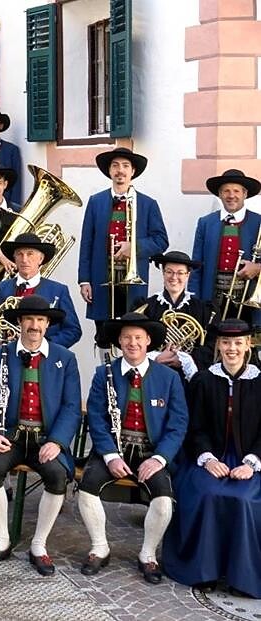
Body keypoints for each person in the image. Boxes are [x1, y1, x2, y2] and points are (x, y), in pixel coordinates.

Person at [77, 313, 188, 584]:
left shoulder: (168, 378)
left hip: (152, 454)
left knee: (164, 502)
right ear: (119, 341)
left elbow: (178, 423)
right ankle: (100, 547)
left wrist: (160, 458)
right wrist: (111, 456)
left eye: (138, 337)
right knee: (86, 488)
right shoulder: (103, 374)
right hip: (114, 450)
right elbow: (97, 417)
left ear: (148, 341)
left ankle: (147, 554)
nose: (132, 343)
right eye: (127, 337)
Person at [0, 295, 82, 575]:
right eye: (29, 320)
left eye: (40, 320)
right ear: (20, 322)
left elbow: (72, 407)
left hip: (46, 439)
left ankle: (39, 544)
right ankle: (1, 539)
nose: (34, 325)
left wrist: (57, 442)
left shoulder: (65, 359)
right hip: (9, 436)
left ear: (47, 324)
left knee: (57, 476)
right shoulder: (0, 355)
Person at [162, 319, 261, 597]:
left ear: (248, 345)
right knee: (207, 493)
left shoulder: (260, 381)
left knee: (244, 499)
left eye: (238, 343)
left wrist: (251, 463)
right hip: (208, 459)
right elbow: (195, 427)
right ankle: (203, 571)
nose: (232, 348)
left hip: (250, 462)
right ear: (218, 345)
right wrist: (208, 459)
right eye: (227, 342)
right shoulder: (204, 380)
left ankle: (243, 577)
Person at [78, 147, 168, 341]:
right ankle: (105, 369)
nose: (120, 170)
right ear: (109, 171)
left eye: (126, 166)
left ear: (133, 171)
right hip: (101, 277)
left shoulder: (148, 203)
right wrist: (84, 280)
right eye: (115, 165)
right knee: (103, 335)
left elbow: (161, 240)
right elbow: (87, 242)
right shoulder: (96, 201)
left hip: (133, 281)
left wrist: (133, 247)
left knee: (132, 333)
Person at [0, 232, 82, 351]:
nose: (24, 259)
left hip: (47, 360)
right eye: (19, 254)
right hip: (9, 357)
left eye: (30, 254)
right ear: (14, 258)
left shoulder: (59, 290)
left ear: (41, 259)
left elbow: (73, 330)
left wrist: (46, 346)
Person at [190, 169, 261, 324]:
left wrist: (258, 267)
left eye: (236, 191)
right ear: (220, 194)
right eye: (226, 191)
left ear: (245, 194)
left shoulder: (259, 222)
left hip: (248, 296)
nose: (231, 195)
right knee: (212, 340)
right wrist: (194, 301)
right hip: (213, 295)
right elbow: (196, 265)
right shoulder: (205, 223)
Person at [137, 251, 215, 380]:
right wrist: (157, 357)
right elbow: (137, 339)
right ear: (163, 273)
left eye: (180, 273)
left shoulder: (203, 309)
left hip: (189, 379)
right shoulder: (147, 306)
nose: (174, 277)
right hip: (154, 374)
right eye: (169, 272)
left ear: (187, 275)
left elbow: (211, 345)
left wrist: (186, 360)